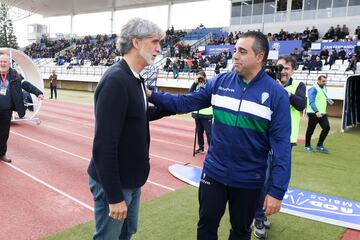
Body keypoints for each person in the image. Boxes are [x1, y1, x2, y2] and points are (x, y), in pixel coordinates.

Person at [147, 31, 291, 240]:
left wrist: (277, 191)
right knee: (206, 226)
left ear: (259, 57)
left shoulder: (276, 95)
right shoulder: (220, 82)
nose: (235, 56)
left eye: (242, 51)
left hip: (249, 179)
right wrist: (151, 94)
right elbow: (185, 103)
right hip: (214, 173)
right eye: (235, 50)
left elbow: (282, 149)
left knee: (241, 231)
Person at [87, 18, 173, 240]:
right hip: (115, 184)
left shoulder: (135, 78)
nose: (158, 48)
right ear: (136, 42)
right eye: (154, 41)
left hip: (132, 179)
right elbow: (104, 145)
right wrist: (114, 196)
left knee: (127, 234)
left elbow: (138, 116)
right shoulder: (116, 80)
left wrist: (172, 106)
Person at [253, 55, 306, 239]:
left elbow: (301, 104)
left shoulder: (297, 85)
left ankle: (263, 212)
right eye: (280, 67)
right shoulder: (266, 82)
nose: (282, 71)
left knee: (276, 179)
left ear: (293, 70)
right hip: (266, 140)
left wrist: (282, 91)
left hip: (286, 142)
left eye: (286, 68)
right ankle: (258, 217)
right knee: (264, 179)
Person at [0, 54, 44, 163]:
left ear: (9, 63)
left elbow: (25, 84)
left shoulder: (15, 75)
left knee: (4, 133)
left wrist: (37, 92)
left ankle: (2, 154)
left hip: (7, 109)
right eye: (1, 61)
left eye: (5, 61)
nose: (2, 63)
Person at [305, 75, 331, 154]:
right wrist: (316, 111)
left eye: (325, 81)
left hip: (322, 113)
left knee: (327, 128)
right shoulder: (313, 89)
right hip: (313, 113)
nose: (325, 83)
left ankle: (319, 145)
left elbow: (322, 98)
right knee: (311, 130)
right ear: (318, 80)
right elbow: (311, 101)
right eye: (323, 81)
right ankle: (307, 145)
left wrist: (329, 100)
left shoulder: (324, 88)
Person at [189, 71, 213, 155]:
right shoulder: (196, 85)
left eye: (201, 77)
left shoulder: (209, 85)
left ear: (205, 77)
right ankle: (201, 147)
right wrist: (194, 83)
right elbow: (190, 94)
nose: (200, 79)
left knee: (209, 133)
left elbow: (208, 96)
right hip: (197, 114)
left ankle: (211, 149)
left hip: (207, 114)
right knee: (199, 132)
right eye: (198, 77)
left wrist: (204, 84)